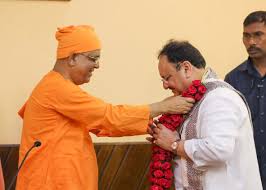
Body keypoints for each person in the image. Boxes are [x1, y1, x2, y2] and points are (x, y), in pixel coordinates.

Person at [15, 25, 194, 190]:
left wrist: (150, 126)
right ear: (72, 58)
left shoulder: (58, 87)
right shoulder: (56, 88)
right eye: (93, 58)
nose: (97, 65)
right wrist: (162, 107)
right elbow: (108, 117)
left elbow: (103, 124)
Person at [149, 40, 262, 190]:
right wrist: (163, 135)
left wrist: (174, 144)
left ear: (186, 68)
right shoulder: (193, 99)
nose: (165, 85)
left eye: (167, 77)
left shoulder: (219, 97)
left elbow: (219, 149)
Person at [224, 11, 266, 188]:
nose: (251, 42)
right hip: (247, 172)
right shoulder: (233, 79)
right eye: (246, 36)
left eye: (258, 35)